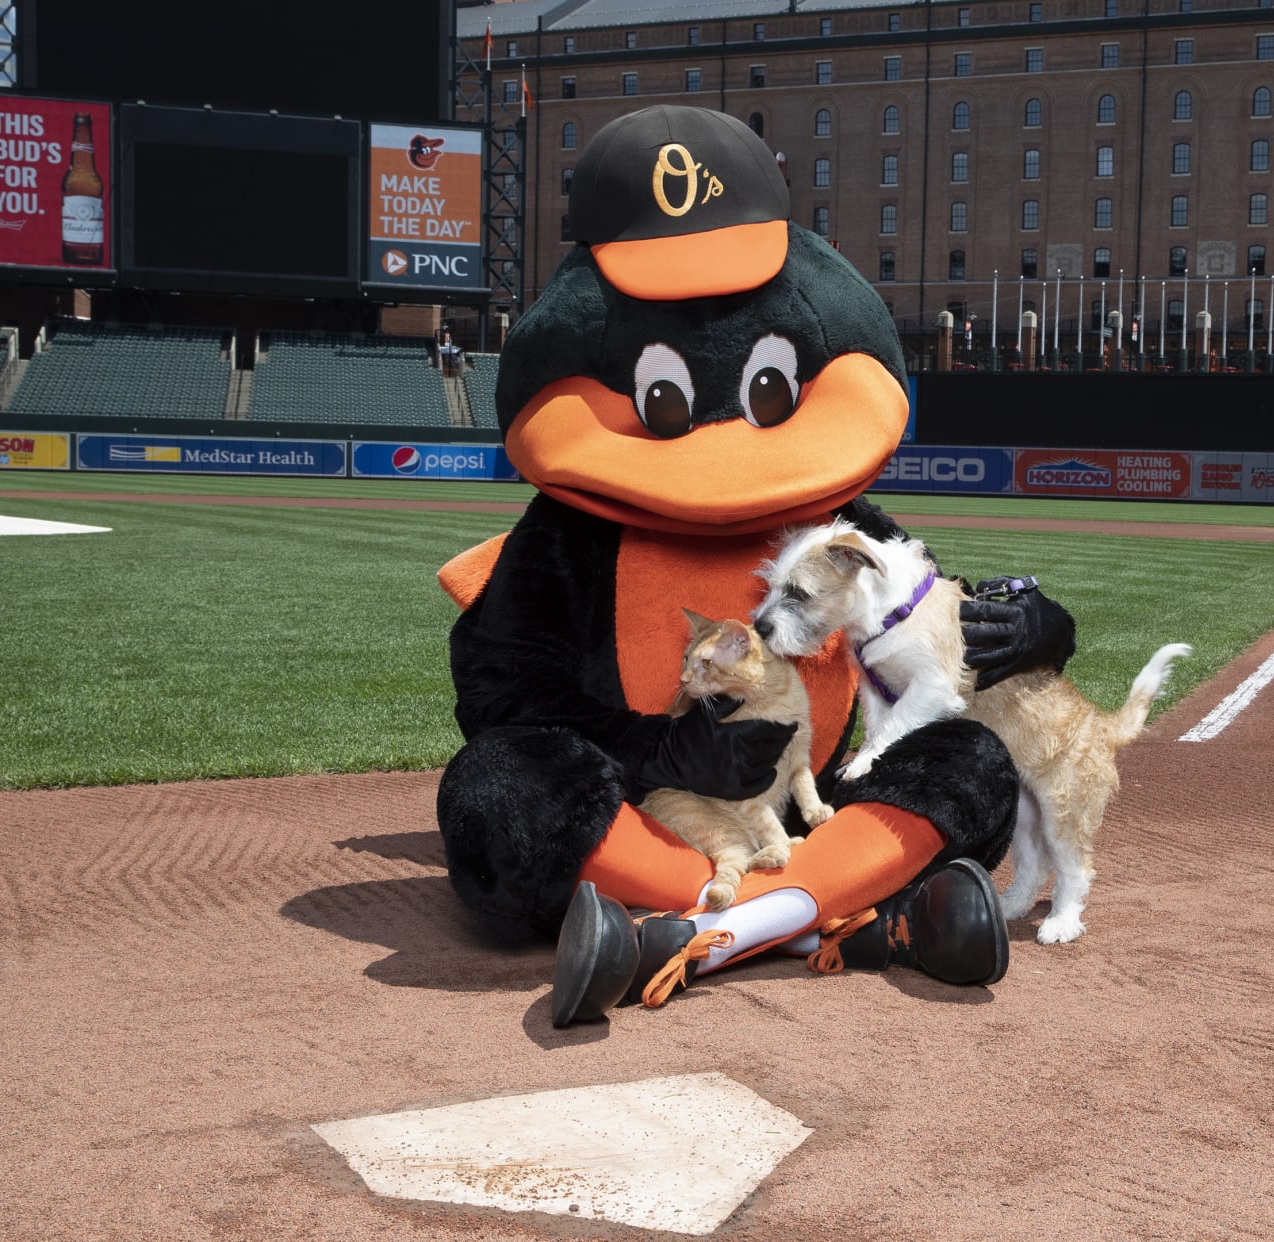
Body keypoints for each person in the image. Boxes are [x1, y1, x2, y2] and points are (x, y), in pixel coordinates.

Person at [431, 107, 1077, 1023]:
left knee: (970, 759)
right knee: (500, 791)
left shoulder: (836, 523)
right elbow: (499, 694)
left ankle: (691, 927)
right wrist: (655, 748)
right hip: (648, 805)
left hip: (804, 808)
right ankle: (838, 917)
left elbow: (925, 620)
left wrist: (1037, 631)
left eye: (770, 390)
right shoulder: (566, 533)